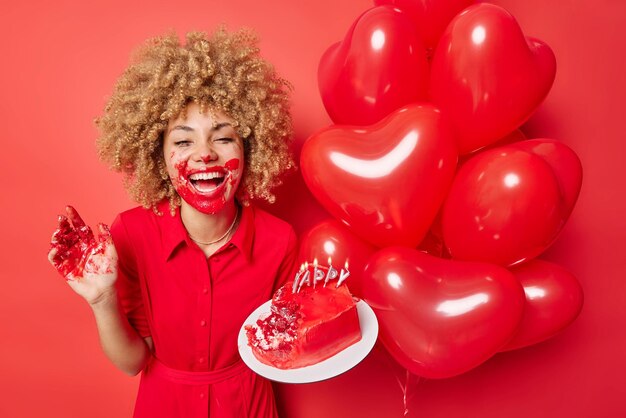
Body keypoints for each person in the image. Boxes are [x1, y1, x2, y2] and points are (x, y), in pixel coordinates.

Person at [47, 28, 298, 418]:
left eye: (223, 138)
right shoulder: (131, 234)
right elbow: (133, 361)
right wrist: (102, 300)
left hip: (247, 407)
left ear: (250, 148)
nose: (204, 155)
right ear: (158, 157)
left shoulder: (279, 240)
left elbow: (284, 350)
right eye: (183, 142)